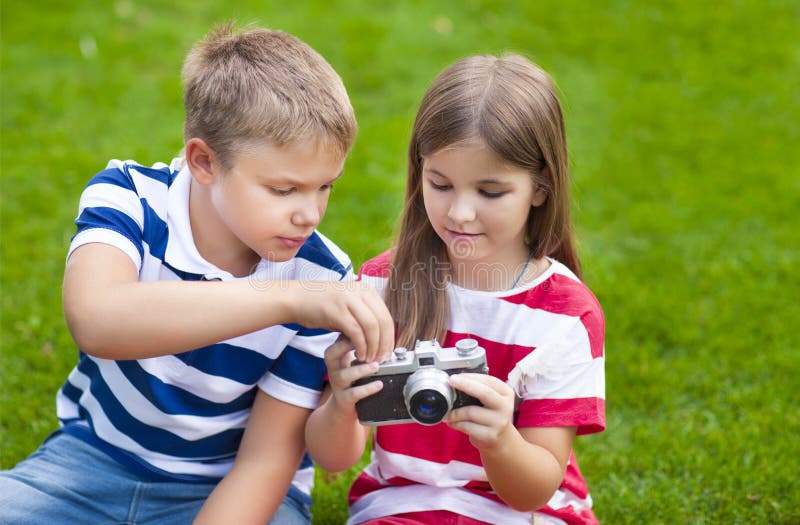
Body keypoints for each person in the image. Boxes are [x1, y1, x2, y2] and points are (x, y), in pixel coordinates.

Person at [0, 22, 395, 525]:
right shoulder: (129, 199)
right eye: (283, 190)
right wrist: (288, 298)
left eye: (325, 187)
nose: (310, 213)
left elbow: (266, 462)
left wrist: (302, 294)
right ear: (204, 161)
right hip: (91, 463)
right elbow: (97, 320)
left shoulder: (322, 274)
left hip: (229, 485)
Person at [306, 54, 606, 524]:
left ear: (540, 188)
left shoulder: (564, 313)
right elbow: (334, 458)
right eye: (440, 184)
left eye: (490, 192)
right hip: (404, 506)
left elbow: (534, 490)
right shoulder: (382, 285)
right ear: (418, 170)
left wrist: (501, 439)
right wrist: (342, 404)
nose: (460, 213)